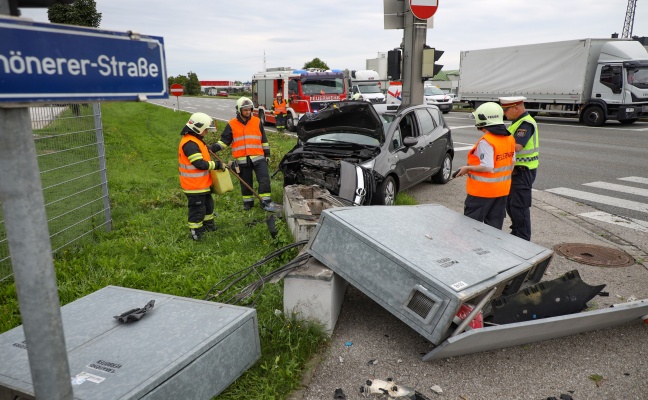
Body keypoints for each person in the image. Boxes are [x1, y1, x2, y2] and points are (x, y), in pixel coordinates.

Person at [455, 102, 516, 229]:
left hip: (482, 192)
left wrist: (467, 168)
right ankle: (491, 248)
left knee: (470, 227)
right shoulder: (509, 138)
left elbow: (488, 167)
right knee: (494, 227)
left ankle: (470, 248)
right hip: (502, 191)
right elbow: (512, 162)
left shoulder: (487, 141)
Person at [212, 97, 273, 211]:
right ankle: (248, 204)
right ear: (239, 110)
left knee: (264, 180)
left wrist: (267, 154)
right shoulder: (232, 124)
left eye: (249, 109)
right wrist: (212, 148)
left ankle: (266, 202)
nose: (248, 112)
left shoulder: (257, 121)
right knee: (246, 183)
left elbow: (263, 139)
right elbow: (224, 141)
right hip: (242, 160)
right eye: (245, 110)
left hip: (259, 158)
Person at [178, 112, 224, 241]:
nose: (206, 132)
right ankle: (196, 232)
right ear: (198, 128)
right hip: (194, 186)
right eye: (205, 130)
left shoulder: (196, 141)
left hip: (202, 184)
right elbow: (199, 164)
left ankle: (209, 226)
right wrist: (216, 165)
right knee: (197, 210)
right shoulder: (190, 144)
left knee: (208, 206)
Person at [499, 96, 539, 241]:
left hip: (523, 171)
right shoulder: (517, 122)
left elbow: (517, 146)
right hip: (518, 172)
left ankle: (522, 239)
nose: (505, 113)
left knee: (519, 207)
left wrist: (497, 143)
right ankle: (516, 234)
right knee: (512, 206)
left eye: (506, 110)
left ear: (516, 108)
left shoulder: (525, 123)